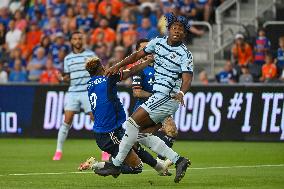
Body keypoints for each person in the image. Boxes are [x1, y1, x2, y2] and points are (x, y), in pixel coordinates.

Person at [96, 13, 193, 183]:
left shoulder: (185, 54)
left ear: (184, 34)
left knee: (130, 124)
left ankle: (116, 164)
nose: (178, 31)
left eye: (181, 30)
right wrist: (116, 66)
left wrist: (182, 92)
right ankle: (179, 160)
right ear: (168, 29)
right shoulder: (157, 43)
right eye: (175, 28)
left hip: (167, 97)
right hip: (159, 97)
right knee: (139, 135)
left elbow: (187, 78)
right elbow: (135, 57)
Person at [78, 57, 171, 176]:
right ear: (102, 67)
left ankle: (160, 169)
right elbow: (131, 71)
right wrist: (147, 62)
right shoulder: (108, 78)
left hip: (108, 130)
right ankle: (95, 165)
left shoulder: (90, 83)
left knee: (135, 146)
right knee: (137, 167)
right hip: (109, 134)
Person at [131, 38, 178, 162]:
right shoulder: (139, 69)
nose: (147, 51)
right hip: (143, 111)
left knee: (171, 131)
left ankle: (161, 161)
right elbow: (137, 92)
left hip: (160, 109)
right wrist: (156, 96)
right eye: (143, 49)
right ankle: (111, 159)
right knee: (133, 141)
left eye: (149, 47)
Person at [52, 31, 96, 161]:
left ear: (83, 40)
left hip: (87, 91)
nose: (77, 41)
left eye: (79, 38)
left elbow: (98, 71)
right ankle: (58, 151)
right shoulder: (68, 58)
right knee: (67, 120)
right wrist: (61, 78)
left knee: (96, 119)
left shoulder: (90, 55)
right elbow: (68, 78)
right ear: (71, 41)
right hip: (73, 92)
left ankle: (105, 150)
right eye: (75, 38)